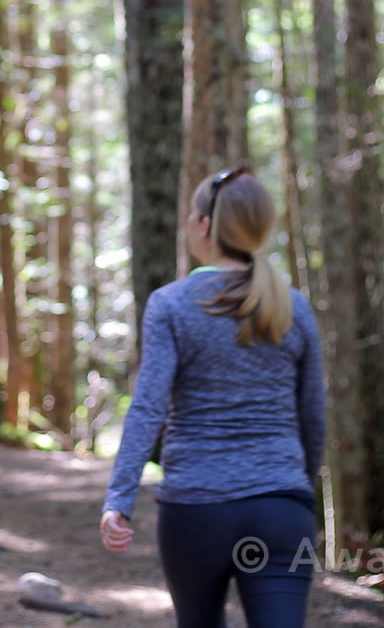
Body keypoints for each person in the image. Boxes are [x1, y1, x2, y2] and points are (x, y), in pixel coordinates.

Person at [100, 166, 326, 628]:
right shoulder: (292, 306)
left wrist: (119, 498)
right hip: (281, 508)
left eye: (190, 214)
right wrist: (294, 489)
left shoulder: (172, 304)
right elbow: (314, 416)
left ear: (205, 225)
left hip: (196, 511)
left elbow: (148, 407)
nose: (187, 222)